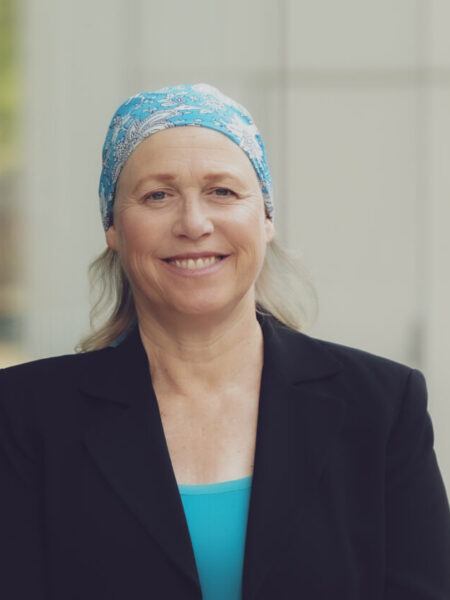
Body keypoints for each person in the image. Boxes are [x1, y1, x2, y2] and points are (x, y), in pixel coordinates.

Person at [1, 83, 449, 600]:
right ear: (114, 228)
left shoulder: (384, 406)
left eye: (223, 192)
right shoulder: (22, 414)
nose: (193, 223)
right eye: (157, 195)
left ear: (265, 219)